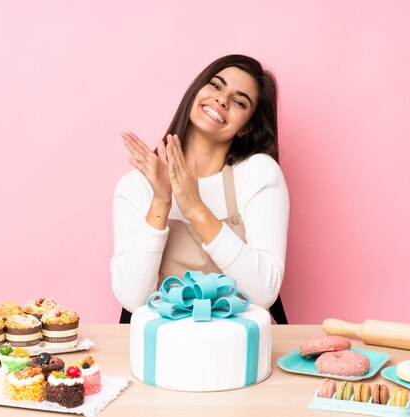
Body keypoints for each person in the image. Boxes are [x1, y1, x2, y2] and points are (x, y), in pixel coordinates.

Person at [111, 54, 289, 323]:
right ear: (196, 93)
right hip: (160, 351)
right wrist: (161, 201)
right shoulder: (136, 185)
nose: (222, 100)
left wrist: (195, 208)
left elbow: (264, 292)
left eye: (239, 101)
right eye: (216, 86)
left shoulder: (258, 173)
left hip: (238, 350)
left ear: (246, 128)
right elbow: (133, 298)